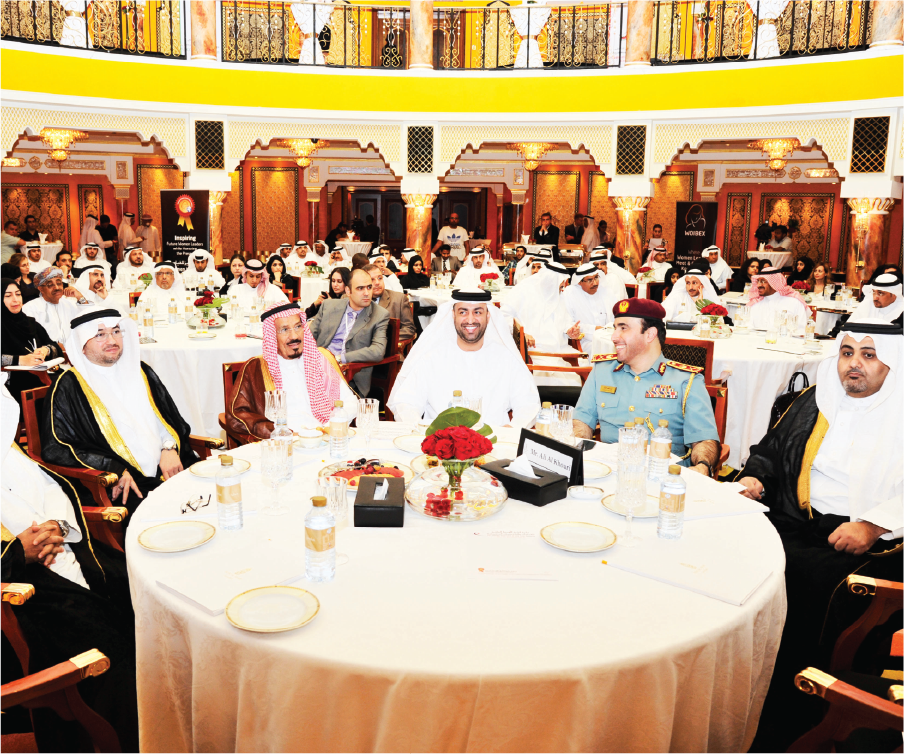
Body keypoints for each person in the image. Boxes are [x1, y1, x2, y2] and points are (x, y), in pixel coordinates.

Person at [737, 320, 904, 750]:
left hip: (872, 542)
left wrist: (873, 524)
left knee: (814, 587)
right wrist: (755, 479)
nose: (854, 365)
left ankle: (804, 710)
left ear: (893, 362)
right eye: (847, 353)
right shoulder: (815, 399)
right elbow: (770, 453)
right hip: (795, 520)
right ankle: (738, 687)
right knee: (735, 558)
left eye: (869, 355)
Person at [0, 371, 139, 754]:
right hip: (21, 592)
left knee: (146, 590)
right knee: (109, 647)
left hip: (66, 554)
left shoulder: (7, 450)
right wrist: (17, 552)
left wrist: (57, 525)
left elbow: (51, 487)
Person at [42, 309, 197, 507]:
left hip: (169, 469)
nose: (111, 340)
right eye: (100, 335)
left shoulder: (140, 371)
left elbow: (167, 418)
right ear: (81, 345)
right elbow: (57, 446)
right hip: (122, 485)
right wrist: (113, 469)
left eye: (116, 332)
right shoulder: (69, 386)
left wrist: (169, 447)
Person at [573, 298, 721, 474]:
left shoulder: (686, 380)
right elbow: (582, 421)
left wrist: (702, 466)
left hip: (662, 477)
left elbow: (704, 439)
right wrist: (577, 451)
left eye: (623, 328)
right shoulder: (602, 371)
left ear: (650, 334)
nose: (614, 337)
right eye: (615, 328)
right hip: (607, 472)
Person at [389, 289, 540, 428]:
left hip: (494, 445)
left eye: (477, 312)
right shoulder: (432, 358)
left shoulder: (506, 358)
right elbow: (405, 402)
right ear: (453, 315)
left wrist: (512, 429)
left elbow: (529, 403)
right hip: (441, 447)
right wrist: (419, 428)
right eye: (463, 312)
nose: (470, 320)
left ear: (488, 316)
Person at [226, 302, 357, 442]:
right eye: (284, 330)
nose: (294, 336)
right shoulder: (256, 369)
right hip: (285, 445)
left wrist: (332, 424)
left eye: (298, 327)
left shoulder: (320, 359)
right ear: (272, 335)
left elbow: (351, 401)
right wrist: (279, 433)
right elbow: (236, 416)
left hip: (327, 438)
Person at [308, 268, 390, 397]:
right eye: (360, 288)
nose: (367, 293)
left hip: (349, 376)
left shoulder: (379, 315)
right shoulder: (329, 306)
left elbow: (378, 351)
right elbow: (308, 338)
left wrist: (339, 359)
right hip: (317, 366)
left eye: (369, 287)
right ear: (348, 291)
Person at [0, 277, 63, 403]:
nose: (15, 299)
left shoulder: (30, 323)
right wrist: (21, 360)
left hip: (42, 376)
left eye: (18, 294)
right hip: (11, 383)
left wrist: (46, 350)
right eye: (8, 296)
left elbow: (56, 347)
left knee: (69, 382)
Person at [501, 260, 582, 350]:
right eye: (561, 282)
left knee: (586, 363)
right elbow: (504, 316)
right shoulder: (523, 290)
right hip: (533, 350)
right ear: (551, 280)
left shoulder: (559, 295)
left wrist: (569, 330)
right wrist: (521, 335)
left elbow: (566, 320)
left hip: (560, 349)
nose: (563, 287)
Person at [562, 263, 620, 353]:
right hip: (585, 341)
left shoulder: (606, 291)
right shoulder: (570, 294)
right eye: (589, 280)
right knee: (601, 350)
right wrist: (595, 330)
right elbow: (567, 323)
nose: (595, 283)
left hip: (610, 337)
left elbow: (617, 317)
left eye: (596, 277)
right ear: (580, 282)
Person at [22, 266, 87, 341]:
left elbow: (88, 319)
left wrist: (80, 296)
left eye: (59, 283)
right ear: (41, 289)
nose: (56, 287)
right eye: (50, 285)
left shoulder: (69, 303)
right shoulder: (30, 308)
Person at [364, 263, 416, 342]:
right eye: (372, 279)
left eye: (380, 278)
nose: (377, 282)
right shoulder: (356, 300)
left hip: (388, 351)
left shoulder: (399, 299)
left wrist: (382, 338)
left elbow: (409, 329)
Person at [747, 267, 809, 332]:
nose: (759, 285)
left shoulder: (794, 302)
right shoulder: (755, 303)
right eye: (758, 281)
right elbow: (747, 326)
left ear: (775, 283)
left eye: (763, 281)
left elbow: (801, 329)